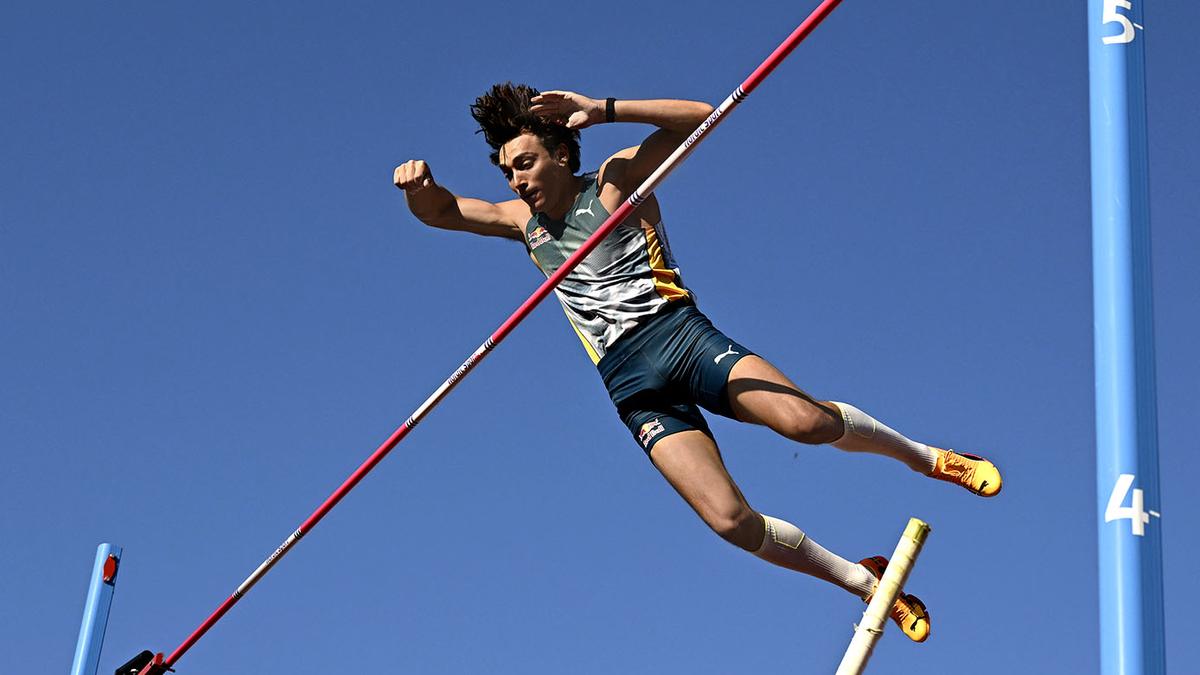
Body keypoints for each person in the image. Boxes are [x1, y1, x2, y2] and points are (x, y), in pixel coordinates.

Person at [394, 83, 1003, 643]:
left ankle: (930, 459)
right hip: (631, 385)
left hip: (680, 338)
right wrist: (420, 189)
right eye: (506, 172)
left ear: (559, 152)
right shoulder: (520, 224)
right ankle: (866, 582)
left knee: (806, 424)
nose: (515, 181)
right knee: (730, 521)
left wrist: (604, 110)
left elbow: (701, 119)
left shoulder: (615, 180)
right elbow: (444, 212)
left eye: (524, 163)